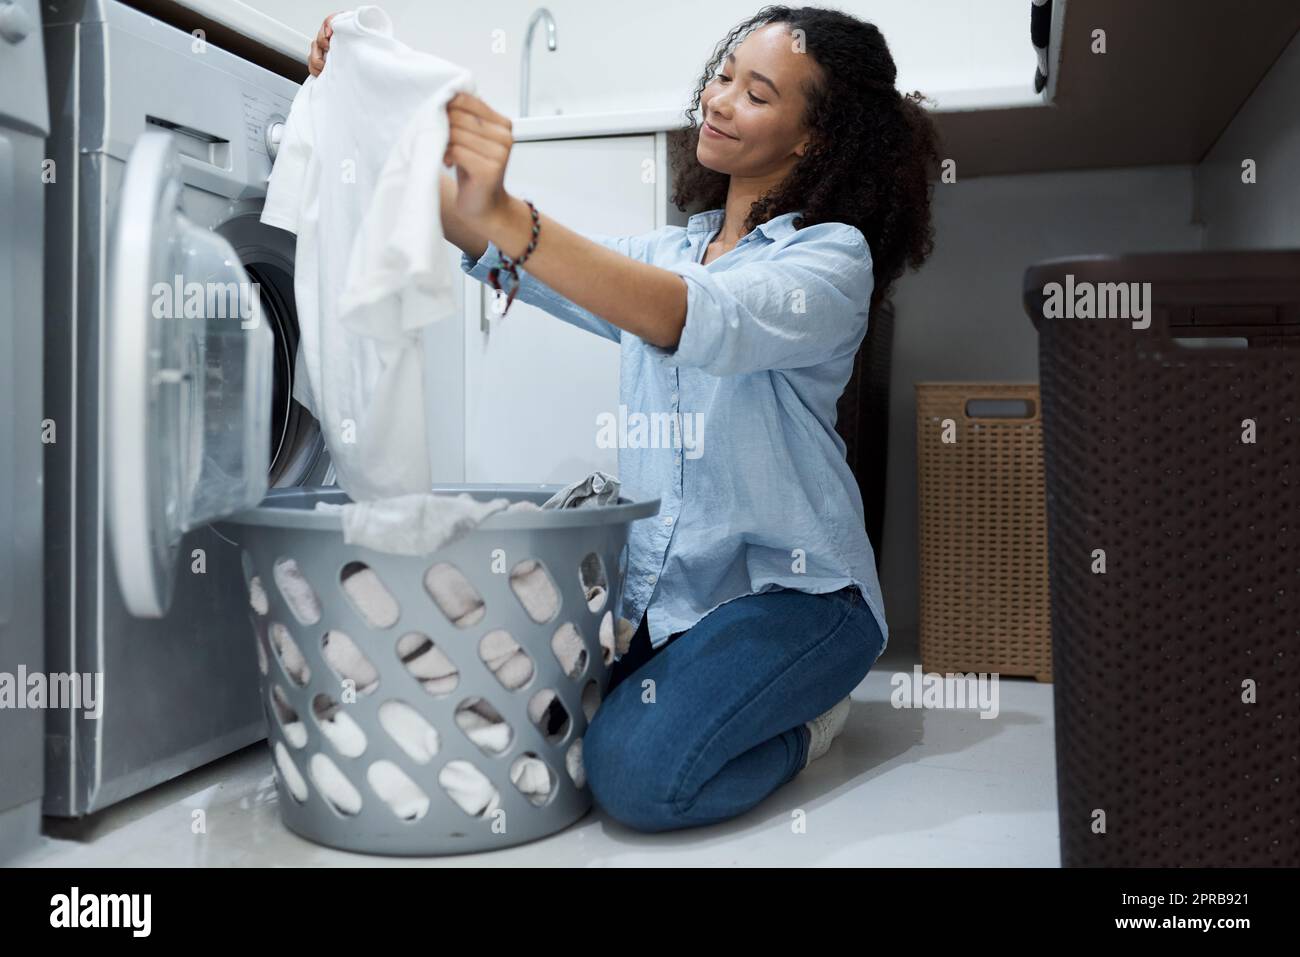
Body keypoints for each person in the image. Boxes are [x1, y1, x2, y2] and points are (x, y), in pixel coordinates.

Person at [307, 4, 939, 833]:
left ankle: (809, 726)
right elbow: (503, 247)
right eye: (722, 77)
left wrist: (513, 218)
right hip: (672, 597)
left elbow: (687, 315)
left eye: (757, 94)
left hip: (798, 595)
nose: (719, 101)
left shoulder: (828, 261)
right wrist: (359, 99)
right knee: (497, 711)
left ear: (812, 137)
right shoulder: (667, 252)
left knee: (635, 775)